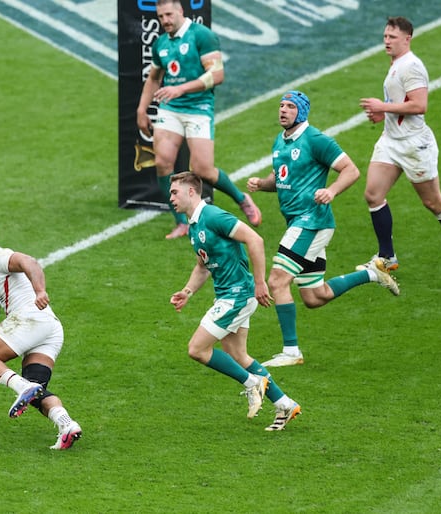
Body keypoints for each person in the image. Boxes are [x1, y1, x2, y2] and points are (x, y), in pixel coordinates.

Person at [247, 91, 400, 367]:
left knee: (278, 281)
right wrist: (262, 183)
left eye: (290, 106)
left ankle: (291, 352)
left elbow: (351, 170)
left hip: (312, 221)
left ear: (302, 112)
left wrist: (331, 191)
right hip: (298, 222)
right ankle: (372, 273)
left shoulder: (315, 139)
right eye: (281, 106)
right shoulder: (279, 142)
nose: (283, 110)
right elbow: (282, 178)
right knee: (315, 297)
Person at [168, 171, 300, 431]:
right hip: (230, 294)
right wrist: (188, 291)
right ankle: (285, 403)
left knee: (197, 349)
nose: (170, 197)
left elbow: (255, 239)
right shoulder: (194, 225)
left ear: (191, 191)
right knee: (237, 355)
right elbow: (202, 267)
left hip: (238, 295)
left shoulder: (214, 216)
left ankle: (252, 383)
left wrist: (260, 282)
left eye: (174, 192)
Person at [357, 16, 441, 276]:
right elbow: (401, 100)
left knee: (433, 202)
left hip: (414, 145)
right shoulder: (396, 64)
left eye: (393, 37)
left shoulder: (412, 66)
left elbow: (420, 105)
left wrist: (382, 106)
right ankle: (386, 257)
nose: (386, 41)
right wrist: (383, 114)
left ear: (407, 38)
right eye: (385, 36)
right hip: (391, 141)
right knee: (373, 194)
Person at [136, 0, 261, 240]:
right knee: (163, 163)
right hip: (170, 108)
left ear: (181, 11)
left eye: (169, 14)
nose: (165, 21)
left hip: (198, 107)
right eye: (161, 17)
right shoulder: (161, 43)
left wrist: (181, 89)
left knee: (202, 169)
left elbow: (217, 75)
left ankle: (241, 198)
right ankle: (181, 222)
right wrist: (142, 109)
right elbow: (153, 78)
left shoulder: (203, 36)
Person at [0, 225, 82, 449]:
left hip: (30, 319)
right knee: (36, 391)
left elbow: (30, 262)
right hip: (49, 327)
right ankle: (67, 425)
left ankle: (22, 388)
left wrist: (40, 291)